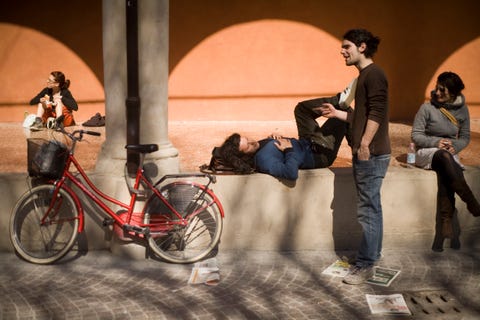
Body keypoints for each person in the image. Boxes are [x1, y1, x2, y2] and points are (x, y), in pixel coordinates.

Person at [319, 29, 390, 285]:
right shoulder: (365, 76)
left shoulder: (374, 74)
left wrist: (365, 144)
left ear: (362, 47)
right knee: (373, 207)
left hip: (370, 152)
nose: (342, 51)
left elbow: (377, 113)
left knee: (367, 210)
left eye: (346, 46)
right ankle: (374, 255)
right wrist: (336, 114)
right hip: (370, 151)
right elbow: (360, 116)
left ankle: (366, 263)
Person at [411, 71, 480, 252]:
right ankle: (470, 200)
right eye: (437, 88)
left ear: (454, 93)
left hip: (448, 154)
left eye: (443, 90)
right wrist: (436, 142)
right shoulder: (426, 108)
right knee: (443, 158)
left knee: (446, 167)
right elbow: (416, 136)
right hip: (427, 151)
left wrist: (454, 147)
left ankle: (444, 226)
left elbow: (464, 138)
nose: (438, 92)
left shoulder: (462, 110)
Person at [217, 93, 353, 181]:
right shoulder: (264, 161)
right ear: (245, 156)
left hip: (306, 142)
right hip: (319, 153)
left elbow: (271, 149)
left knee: (301, 110)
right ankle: (359, 152)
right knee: (343, 115)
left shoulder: (258, 148)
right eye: (249, 146)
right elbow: (291, 174)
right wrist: (288, 150)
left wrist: (271, 139)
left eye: (248, 139)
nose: (253, 142)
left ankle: (339, 99)